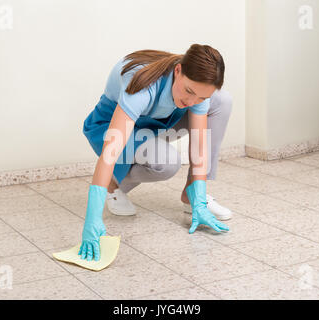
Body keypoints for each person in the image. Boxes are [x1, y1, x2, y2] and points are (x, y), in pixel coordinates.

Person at [79, 44, 234, 261]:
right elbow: (110, 152)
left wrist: (198, 196)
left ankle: (191, 197)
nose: (192, 102)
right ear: (178, 71)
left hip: (157, 123)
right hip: (110, 127)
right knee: (167, 163)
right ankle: (113, 185)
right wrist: (92, 220)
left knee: (223, 100)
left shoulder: (197, 92)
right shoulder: (141, 85)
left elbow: (200, 143)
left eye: (200, 98)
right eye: (189, 91)